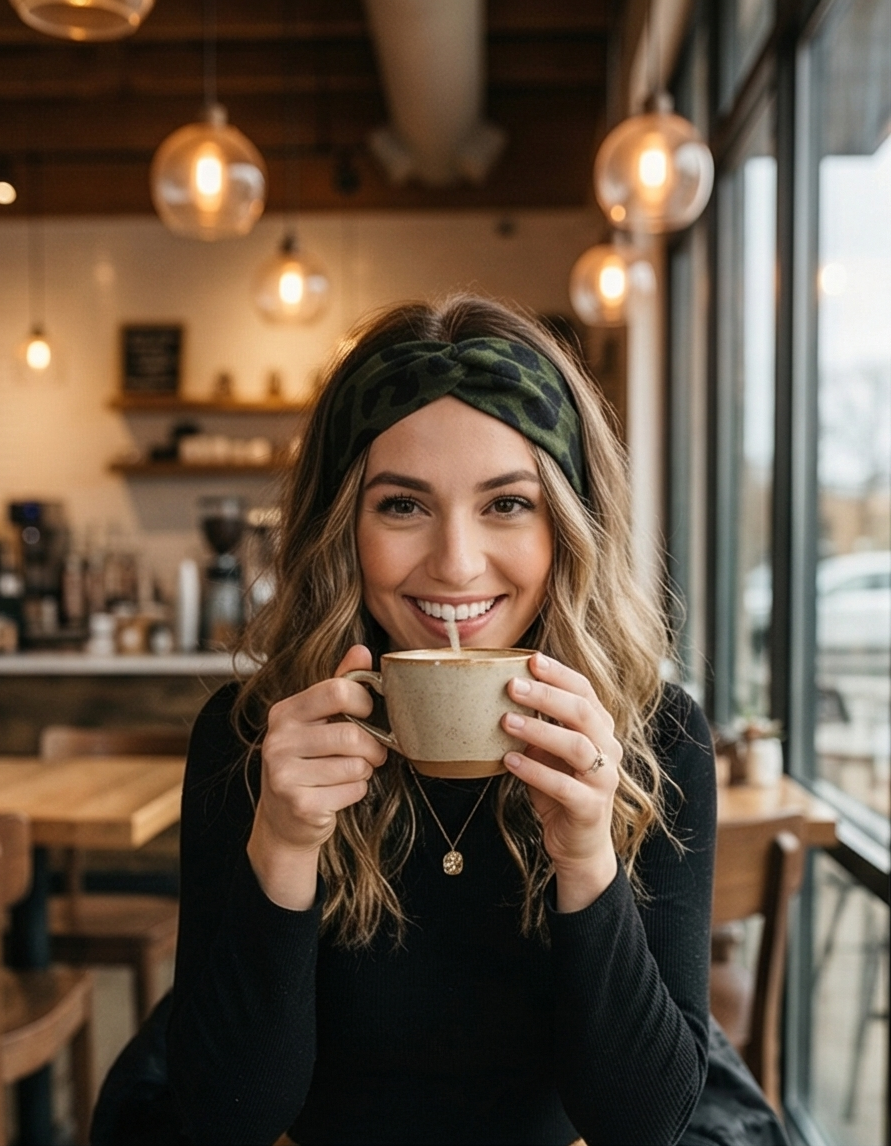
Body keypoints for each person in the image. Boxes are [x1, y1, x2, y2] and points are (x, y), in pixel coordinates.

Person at [166, 293, 720, 1146]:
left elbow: (644, 1124)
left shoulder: (657, 740)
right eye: (402, 505)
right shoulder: (251, 738)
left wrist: (585, 856)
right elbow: (218, 1119)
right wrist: (282, 843)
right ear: (340, 526)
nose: (457, 565)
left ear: (567, 527)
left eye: (506, 504)